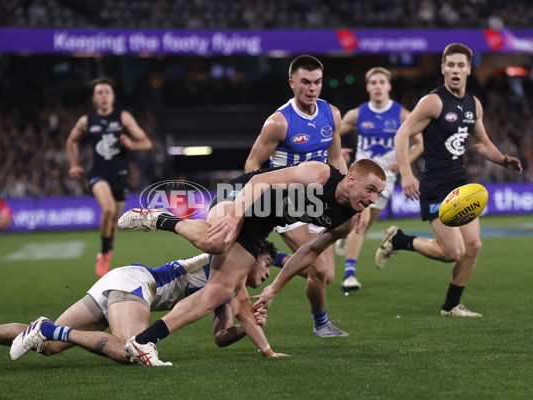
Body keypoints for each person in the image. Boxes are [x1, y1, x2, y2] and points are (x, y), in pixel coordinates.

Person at [117, 158, 386, 365]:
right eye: (370, 190)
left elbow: (308, 253)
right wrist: (235, 217)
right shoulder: (320, 174)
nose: (373, 199)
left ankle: (143, 342)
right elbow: (260, 182)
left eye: (378, 194)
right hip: (243, 194)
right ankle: (157, 217)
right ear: (351, 180)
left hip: (263, 222)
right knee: (217, 241)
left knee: (218, 292)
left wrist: (273, 289)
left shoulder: (347, 221)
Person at [0, 242, 285, 370]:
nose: (266, 272)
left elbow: (221, 336)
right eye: (267, 263)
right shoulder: (229, 264)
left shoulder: (224, 289)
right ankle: (47, 326)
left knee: (48, 348)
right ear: (253, 256)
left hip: (122, 282)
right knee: (130, 351)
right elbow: (240, 306)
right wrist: (267, 351)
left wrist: (241, 328)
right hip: (135, 285)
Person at [375, 43, 522, 317]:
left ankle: (451, 306)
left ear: (468, 69)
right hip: (435, 186)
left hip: (461, 185)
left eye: (460, 65)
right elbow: (401, 135)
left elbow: (481, 144)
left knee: (474, 246)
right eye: (450, 65)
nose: (455, 70)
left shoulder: (472, 104)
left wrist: (503, 159)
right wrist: (407, 174)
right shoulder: (433, 102)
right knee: (452, 252)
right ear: (443, 68)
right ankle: (399, 240)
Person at [244, 55, 348, 337]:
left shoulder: (332, 114)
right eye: (305, 82)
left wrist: (348, 202)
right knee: (317, 269)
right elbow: (252, 166)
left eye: (317, 82)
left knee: (326, 276)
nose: (312, 88)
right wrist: (267, 204)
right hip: (287, 203)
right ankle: (321, 324)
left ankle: (278, 258)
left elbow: (336, 156)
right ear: (292, 84)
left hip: (320, 200)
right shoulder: (279, 122)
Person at [336, 67, 423, 292]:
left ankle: (344, 236)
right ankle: (349, 275)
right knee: (361, 221)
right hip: (362, 176)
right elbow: (333, 132)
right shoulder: (357, 113)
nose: (377, 86)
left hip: (387, 179)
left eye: (381, 82)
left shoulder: (402, 114)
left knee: (363, 226)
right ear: (368, 87)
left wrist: (404, 164)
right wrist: (336, 152)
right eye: (373, 82)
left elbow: (419, 143)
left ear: (388, 86)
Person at [66, 77, 152, 278]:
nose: (103, 96)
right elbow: (71, 141)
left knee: (113, 221)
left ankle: (107, 251)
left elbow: (146, 143)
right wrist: (74, 165)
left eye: (107, 92)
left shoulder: (123, 118)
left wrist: (131, 144)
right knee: (108, 209)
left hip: (120, 176)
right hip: (98, 175)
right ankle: (103, 254)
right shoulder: (87, 121)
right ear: (94, 98)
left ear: (112, 97)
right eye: (99, 93)